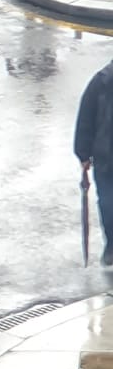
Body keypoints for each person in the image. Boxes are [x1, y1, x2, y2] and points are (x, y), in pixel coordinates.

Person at [74, 54, 113, 269]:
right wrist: (83, 153)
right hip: (107, 157)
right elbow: (86, 118)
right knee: (108, 204)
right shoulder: (102, 81)